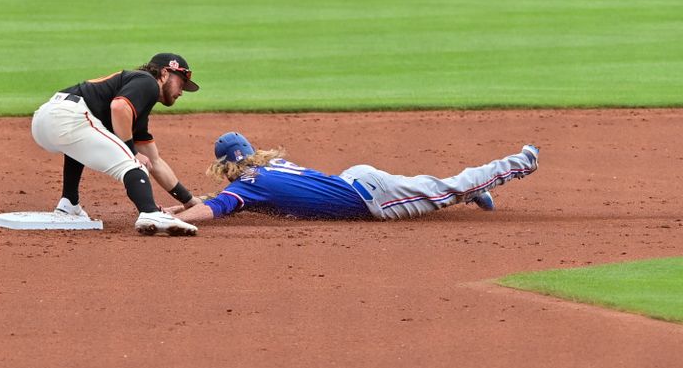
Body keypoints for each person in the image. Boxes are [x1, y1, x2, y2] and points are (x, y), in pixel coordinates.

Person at [165, 132, 539, 223]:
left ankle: (518, 164)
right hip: (357, 177)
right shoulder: (266, 172)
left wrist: (176, 221)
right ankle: (472, 192)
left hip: (369, 198)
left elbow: (215, 209)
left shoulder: (246, 187)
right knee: (427, 187)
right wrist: (175, 209)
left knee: (445, 190)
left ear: (224, 166)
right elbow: (213, 202)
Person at [31, 53, 202, 236]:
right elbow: (119, 107)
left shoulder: (138, 106)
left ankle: (69, 203)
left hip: (45, 121)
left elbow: (155, 161)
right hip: (67, 117)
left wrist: (189, 200)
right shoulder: (148, 82)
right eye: (181, 83)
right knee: (133, 162)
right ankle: (150, 213)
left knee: (81, 144)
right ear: (165, 73)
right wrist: (132, 152)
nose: (182, 91)